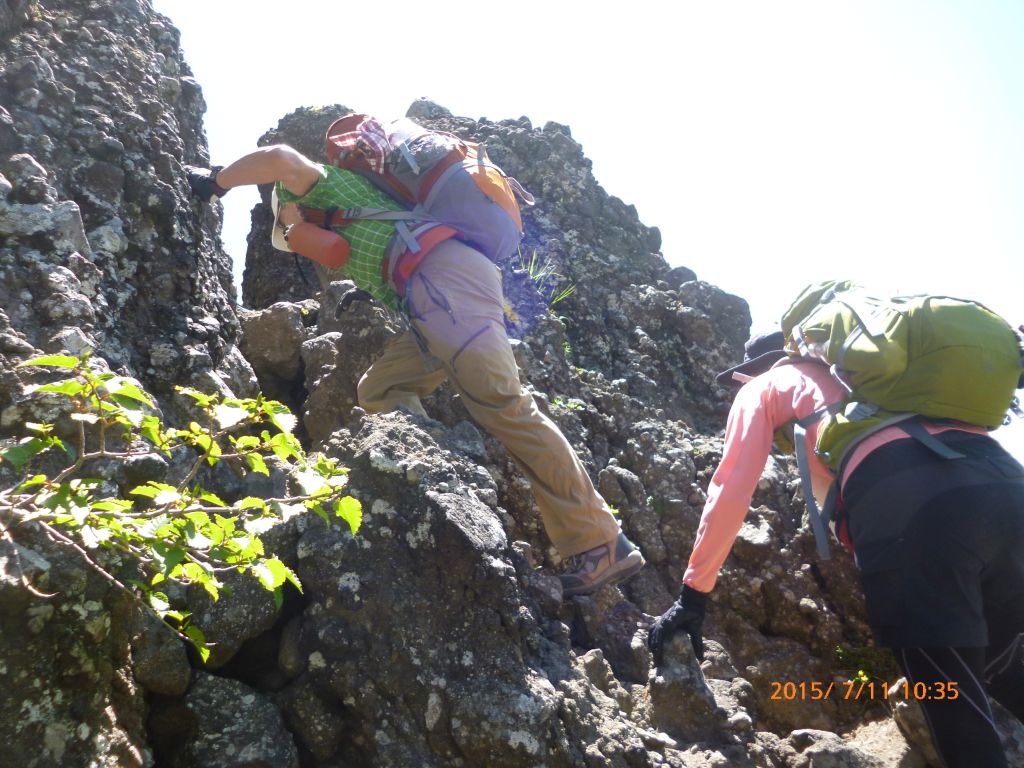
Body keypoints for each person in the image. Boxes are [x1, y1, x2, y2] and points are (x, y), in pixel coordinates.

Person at [185, 135, 644, 598]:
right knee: (381, 389)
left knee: (506, 407)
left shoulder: (322, 186)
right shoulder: (347, 211)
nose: (292, 240)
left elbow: (279, 158)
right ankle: (440, 473)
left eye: (288, 232)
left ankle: (600, 541)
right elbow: (364, 247)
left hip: (446, 287)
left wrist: (216, 183)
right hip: (431, 298)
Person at [647, 329, 1024, 768]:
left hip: (912, 505)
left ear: (761, 365)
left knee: (956, 706)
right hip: (1005, 481)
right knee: (1003, 662)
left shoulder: (764, 386)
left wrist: (693, 595)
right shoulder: (884, 378)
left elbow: (731, 487)